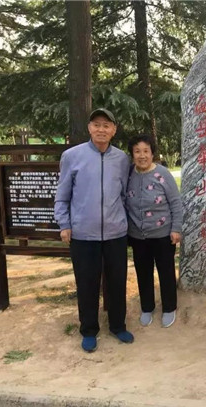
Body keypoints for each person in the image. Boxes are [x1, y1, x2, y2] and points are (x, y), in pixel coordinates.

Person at [54, 108, 133, 353]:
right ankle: (89, 330)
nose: (101, 129)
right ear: (89, 128)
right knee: (87, 284)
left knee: (117, 282)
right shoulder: (72, 156)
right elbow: (62, 194)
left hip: (115, 234)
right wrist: (64, 224)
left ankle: (118, 325)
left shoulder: (122, 159)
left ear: (114, 130)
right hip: (83, 234)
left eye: (106, 125)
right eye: (96, 124)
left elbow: (124, 194)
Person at [125, 134, 182, 328]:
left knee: (166, 272)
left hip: (162, 234)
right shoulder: (129, 174)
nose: (142, 156)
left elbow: (175, 202)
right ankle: (147, 307)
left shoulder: (162, 174)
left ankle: (169, 307)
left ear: (152, 153)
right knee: (143, 273)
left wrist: (176, 229)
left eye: (146, 151)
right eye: (137, 151)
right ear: (132, 154)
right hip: (137, 235)